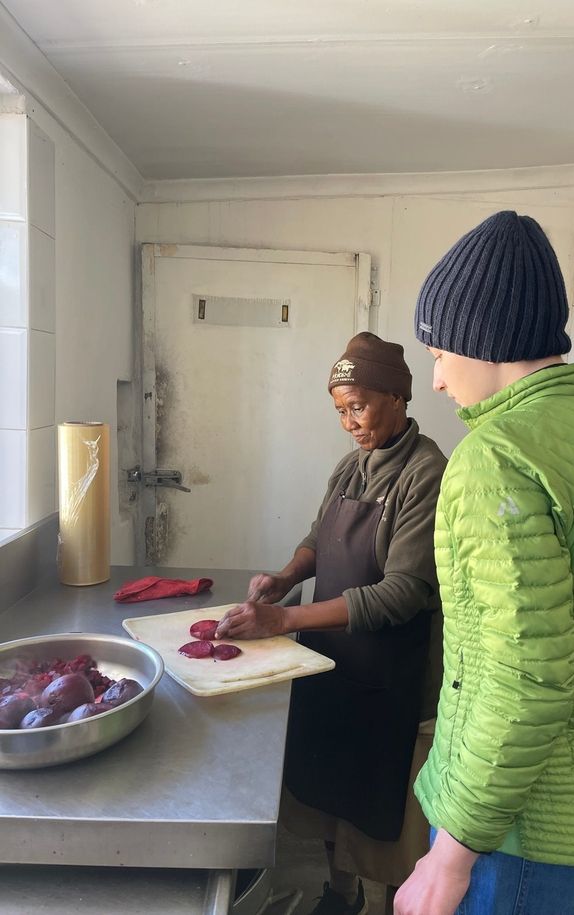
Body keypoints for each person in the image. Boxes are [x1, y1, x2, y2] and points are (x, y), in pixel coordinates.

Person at [394, 210, 574, 915]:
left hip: (519, 839)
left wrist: (449, 855)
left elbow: (522, 679)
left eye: (436, 352)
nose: (435, 378)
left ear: (480, 338)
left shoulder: (494, 458)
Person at [216, 331, 447, 915]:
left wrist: (284, 617)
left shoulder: (427, 473)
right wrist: (286, 577)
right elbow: (317, 540)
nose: (349, 421)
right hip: (331, 661)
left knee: (389, 808)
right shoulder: (350, 468)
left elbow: (402, 594)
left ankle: (396, 903)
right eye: (341, 410)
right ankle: (339, 894)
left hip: (394, 673)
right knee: (327, 787)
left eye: (359, 406)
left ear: (397, 396)